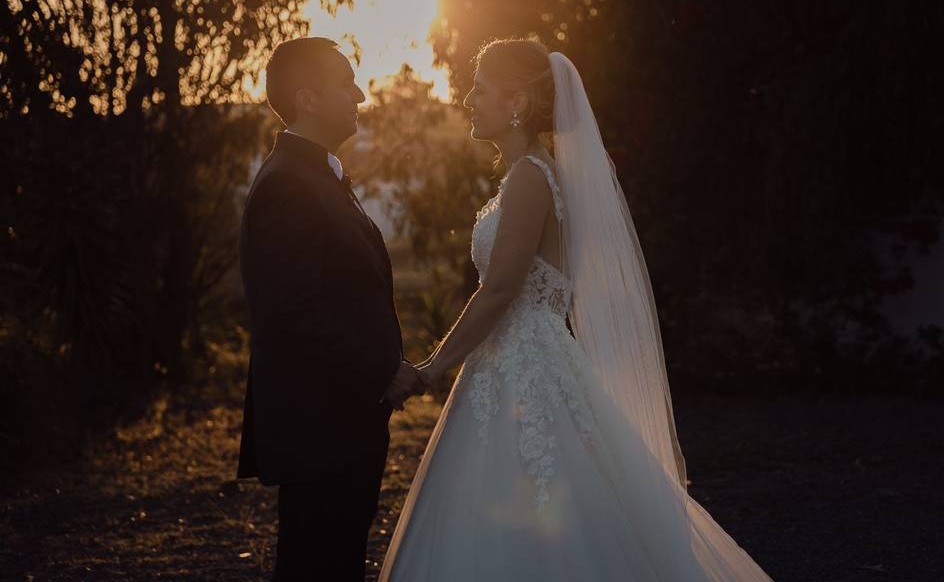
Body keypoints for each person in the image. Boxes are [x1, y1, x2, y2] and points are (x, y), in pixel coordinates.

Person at [379, 38, 775, 581]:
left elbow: (499, 291)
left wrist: (430, 370)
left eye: (480, 88)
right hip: (515, 361)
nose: (468, 98)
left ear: (516, 102)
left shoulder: (529, 179)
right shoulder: (529, 175)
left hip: (526, 366)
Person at [236, 37, 426, 581]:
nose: (361, 95)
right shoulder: (287, 186)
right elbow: (291, 316)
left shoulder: (316, 176)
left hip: (343, 425)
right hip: (319, 430)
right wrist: (381, 372)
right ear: (307, 98)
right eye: (346, 84)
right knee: (315, 567)